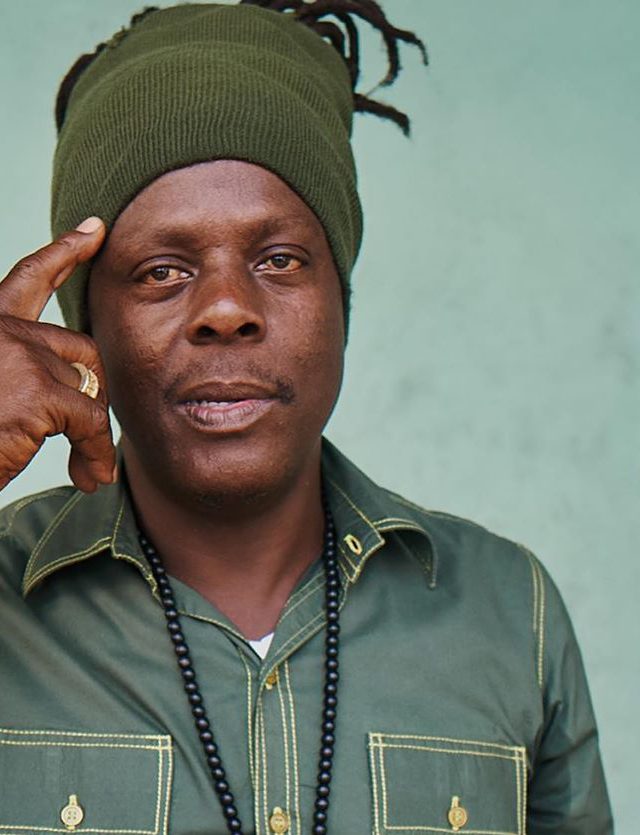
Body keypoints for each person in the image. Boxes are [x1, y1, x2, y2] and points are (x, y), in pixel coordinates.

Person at [0, 2, 613, 833]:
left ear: (340, 303)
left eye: (280, 258)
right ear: (83, 328)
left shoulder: (510, 612)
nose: (225, 309)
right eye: (162, 271)